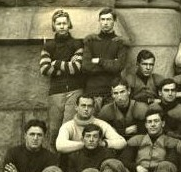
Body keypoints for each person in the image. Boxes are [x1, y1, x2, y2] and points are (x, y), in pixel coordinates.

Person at [39, 9, 84, 151]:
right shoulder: (49, 46)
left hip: (75, 90)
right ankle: (54, 164)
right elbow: (44, 69)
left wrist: (56, 63)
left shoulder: (77, 44)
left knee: (69, 129)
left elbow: (76, 68)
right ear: (54, 26)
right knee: (54, 131)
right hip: (56, 92)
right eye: (58, 23)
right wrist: (67, 64)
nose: (62, 26)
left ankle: (69, 168)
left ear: (69, 24)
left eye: (65, 23)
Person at [81, 8, 129, 111]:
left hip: (112, 92)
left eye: (108, 19)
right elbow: (86, 66)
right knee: (93, 124)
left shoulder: (120, 43)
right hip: (93, 90)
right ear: (99, 21)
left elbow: (119, 66)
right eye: (102, 19)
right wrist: (110, 64)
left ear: (114, 21)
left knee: (110, 124)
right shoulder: (91, 41)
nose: (105, 23)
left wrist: (99, 61)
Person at [56, 94, 126, 155]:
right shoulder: (68, 126)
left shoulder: (100, 124)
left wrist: (103, 143)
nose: (86, 109)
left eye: (89, 106)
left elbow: (122, 142)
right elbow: (60, 146)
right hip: (76, 163)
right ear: (76, 107)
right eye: (83, 106)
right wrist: (85, 144)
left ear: (93, 109)